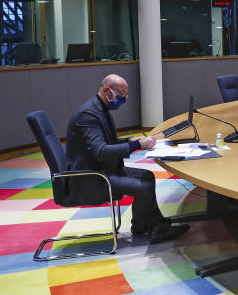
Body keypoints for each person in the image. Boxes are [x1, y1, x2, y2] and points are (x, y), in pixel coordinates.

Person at [65, 74, 189, 241]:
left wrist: (130, 140)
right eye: (121, 93)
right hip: (91, 177)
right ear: (107, 90)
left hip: (103, 168)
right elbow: (100, 151)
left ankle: (144, 225)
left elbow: (105, 142)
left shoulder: (100, 108)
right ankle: (154, 227)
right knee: (143, 188)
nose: (123, 98)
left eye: (126, 95)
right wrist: (137, 146)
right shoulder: (89, 114)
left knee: (147, 176)